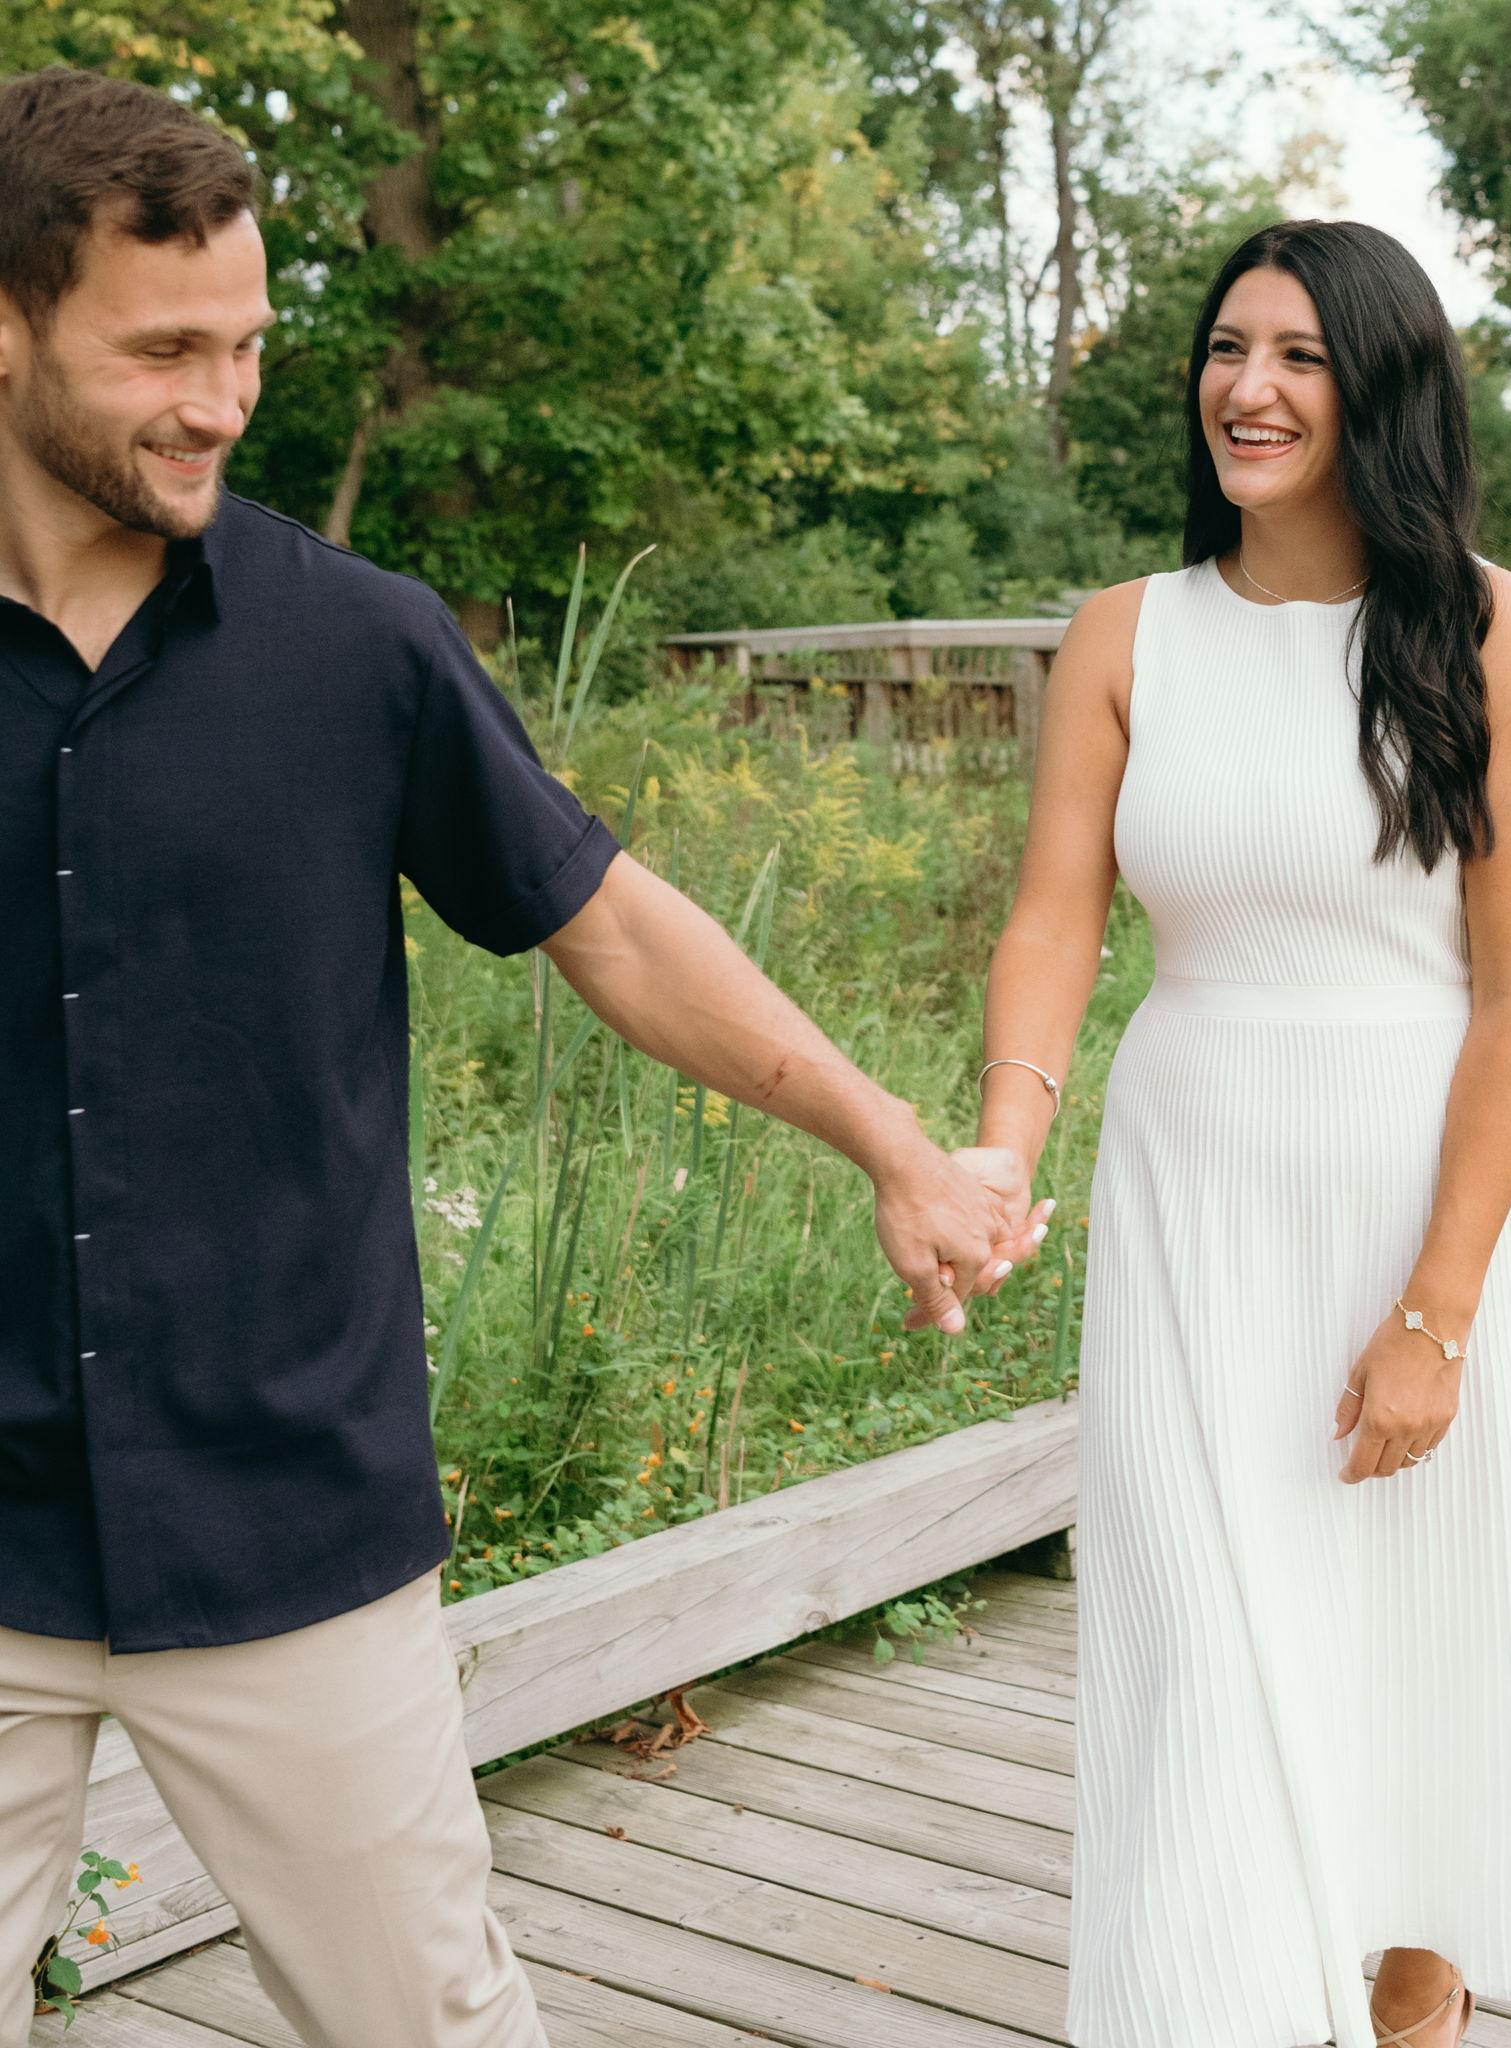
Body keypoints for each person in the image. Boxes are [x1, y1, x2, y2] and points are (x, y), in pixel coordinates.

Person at [0, 65, 1048, 2048]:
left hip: (289, 1518)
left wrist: (892, 1141)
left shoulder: (356, 648)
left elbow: (612, 926)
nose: (222, 401)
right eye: (162, 352)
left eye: (246, 346)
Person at [962, 220, 1511, 2046]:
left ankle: (1415, 1999)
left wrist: (1437, 1315)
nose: (1249, 388)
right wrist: (1002, 1146)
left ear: (1379, 387)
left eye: (1299, 356)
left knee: (1421, 1629)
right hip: (1189, 1185)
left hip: (1413, 1192)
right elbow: (1056, 921)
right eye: (1229, 349)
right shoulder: (1128, 636)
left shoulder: (1492, 632)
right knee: (1196, 1630)